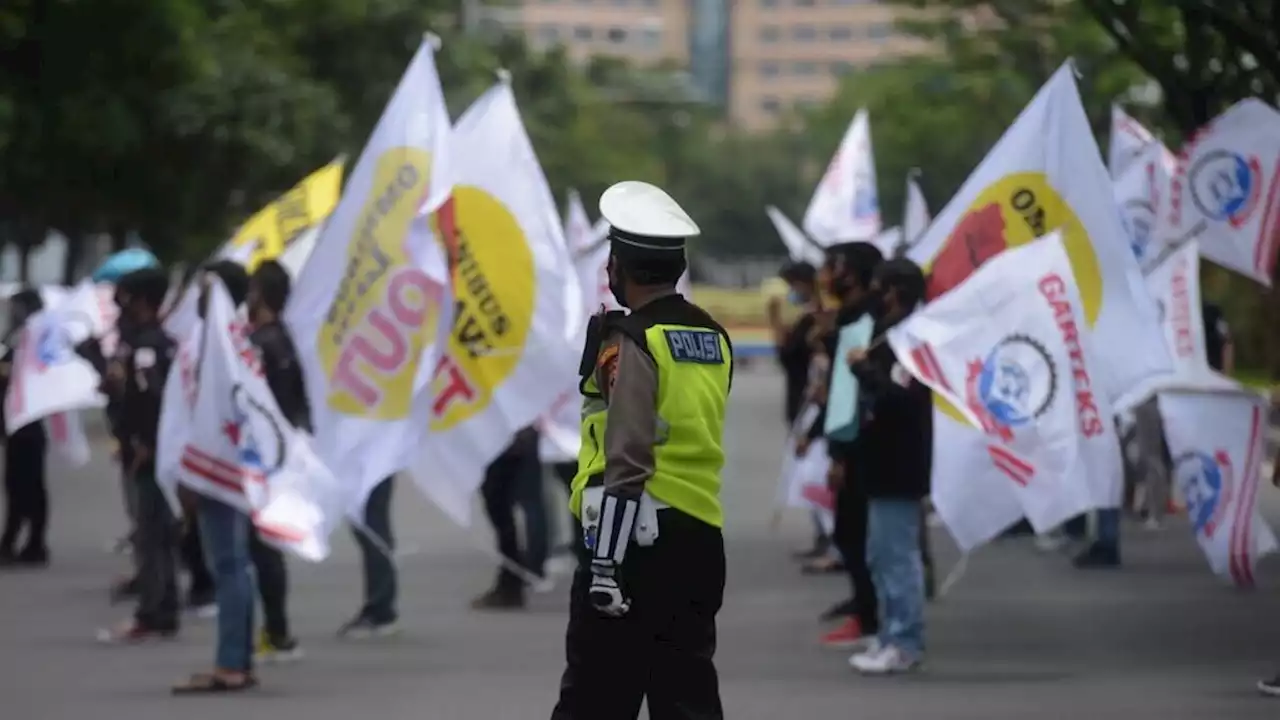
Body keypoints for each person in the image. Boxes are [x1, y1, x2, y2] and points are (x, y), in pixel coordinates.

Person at [551, 180, 733, 719]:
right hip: (699, 533)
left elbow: (627, 454)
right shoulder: (712, 336)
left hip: (634, 539)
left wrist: (605, 562)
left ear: (618, 266)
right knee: (686, 693)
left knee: (596, 697)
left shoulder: (633, 339)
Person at [172, 260, 258, 694]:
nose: (197, 297)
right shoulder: (236, 337)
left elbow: (203, 409)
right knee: (236, 565)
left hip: (216, 463)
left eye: (204, 288)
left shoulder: (215, 343)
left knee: (228, 564)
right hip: (234, 462)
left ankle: (230, 664)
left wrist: (189, 472)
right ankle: (239, 657)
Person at [846, 258, 932, 674]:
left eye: (880, 287)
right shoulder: (893, 335)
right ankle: (889, 637)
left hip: (899, 465)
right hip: (882, 462)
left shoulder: (911, 341)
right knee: (881, 555)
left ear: (894, 290)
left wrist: (863, 369)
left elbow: (901, 401)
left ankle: (905, 641)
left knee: (897, 557)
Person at [804, 242, 884, 648]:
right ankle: (863, 605)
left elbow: (851, 394)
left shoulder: (865, 319)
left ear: (851, 272)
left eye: (831, 266)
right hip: (850, 441)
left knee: (855, 534)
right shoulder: (852, 317)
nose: (825, 275)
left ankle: (870, 617)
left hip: (860, 445)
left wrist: (841, 452)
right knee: (852, 532)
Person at [96, 268, 181, 644]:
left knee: (150, 536)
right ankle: (166, 610)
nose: (120, 305)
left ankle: (152, 613)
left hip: (149, 452)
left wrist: (144, 444)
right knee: (161, 535)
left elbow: (151, 399)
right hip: (159, 449)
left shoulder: (147, 346)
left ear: (143, 300)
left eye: (127, 297)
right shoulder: (160, 341)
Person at [245, 260, 306, 661]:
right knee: (267, 548)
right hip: (285, 451)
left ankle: (277, 632)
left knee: (259, 548)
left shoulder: (261, 345)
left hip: (262, 455)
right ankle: (276, 629)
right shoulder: (289, 339)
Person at [770, 261, 831, 562]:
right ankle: (823, 535)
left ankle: (833, 541)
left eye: (794, 285)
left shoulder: (822, 319)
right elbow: (786, 355)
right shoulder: (806, 319)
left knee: (817, 472)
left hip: (815, 407)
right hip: (799, 403)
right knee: (809, 473)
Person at [472, 425, 549, 610]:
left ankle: (513, 580)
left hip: (501, 443)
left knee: (503, 513)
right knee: (528, 506)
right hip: (522, 438)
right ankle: (527, 569)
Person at [0, 290, 50, 567]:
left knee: (29, 487)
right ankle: (12, 541)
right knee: (15, 485)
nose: (13, 311)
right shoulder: (15, 336)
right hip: (13, 423)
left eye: (18, 307)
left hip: (28, 424)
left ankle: (33, 543)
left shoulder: (35, 339)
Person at [339, 475, 400, 638]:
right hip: (370, 460)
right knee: (370, 527)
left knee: (371, 529)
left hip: (368, 462)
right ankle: (381, 608)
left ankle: (380, 611)